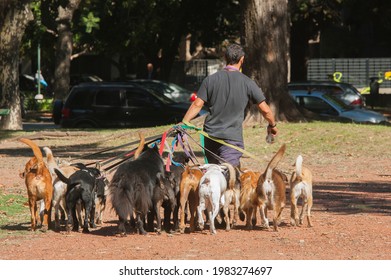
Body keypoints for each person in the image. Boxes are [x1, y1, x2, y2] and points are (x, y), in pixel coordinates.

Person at [182, 43, 278, 168]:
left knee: (214, 174)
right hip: (231, 140)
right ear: (242, 59)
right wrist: (272, 125)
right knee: (229, 177)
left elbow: (197, 104)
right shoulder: (248, 83)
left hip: (210, 137)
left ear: (225, 58)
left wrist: (184, 123)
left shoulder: (210, 80)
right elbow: (265, 111)